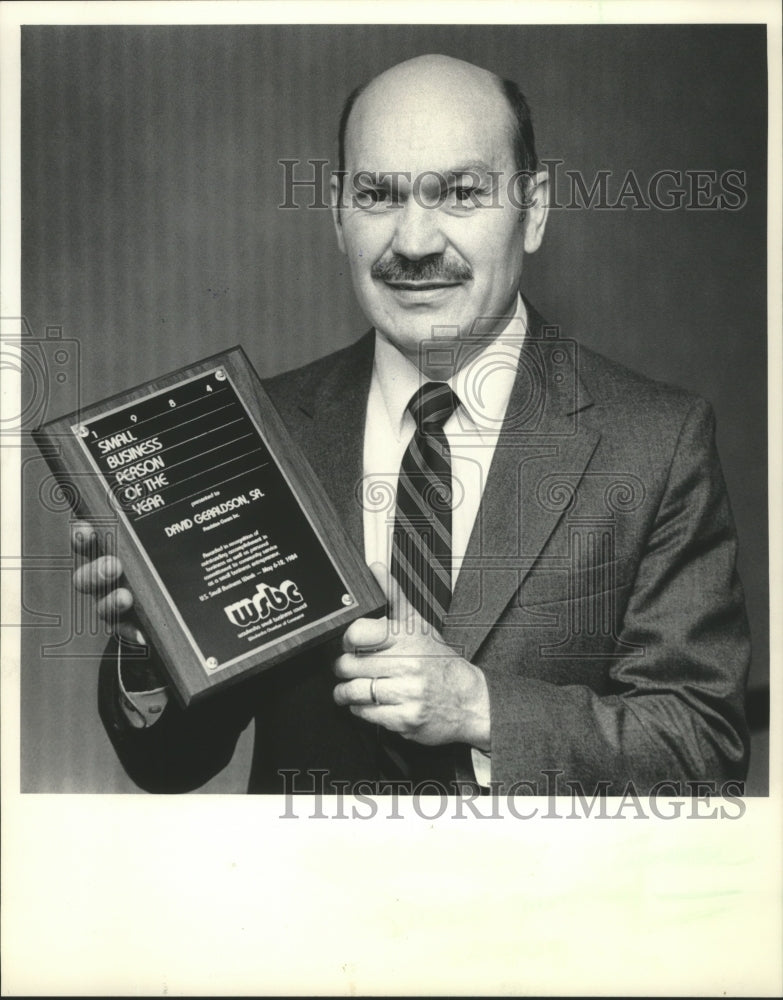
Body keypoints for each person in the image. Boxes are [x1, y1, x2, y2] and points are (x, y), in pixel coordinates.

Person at [72, 54, 750, 796]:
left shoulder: (655, 442)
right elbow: (167, 766)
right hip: (316, 905)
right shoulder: (255, 436)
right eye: (377, 195)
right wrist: (150, 645)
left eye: (459, 193)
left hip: (549, 910)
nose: (415, 242)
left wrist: (481, 709)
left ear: (534, 209)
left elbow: (702, 754)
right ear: (336, 214)